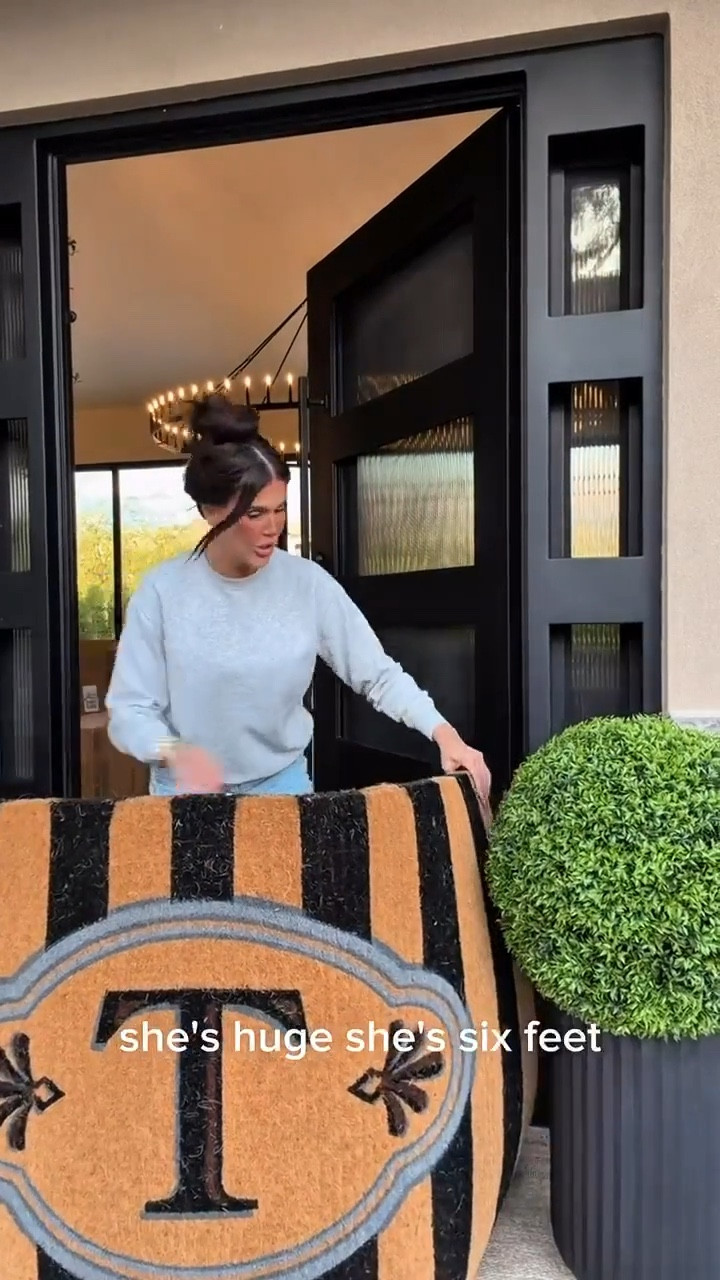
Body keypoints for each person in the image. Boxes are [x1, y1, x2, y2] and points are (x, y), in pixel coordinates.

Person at [105, 393, 492, 804]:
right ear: (210, 511)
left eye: (281, 509)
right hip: (183, 794)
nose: (273, 527)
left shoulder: (307, 584)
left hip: (281, 788)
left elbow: (378, 675)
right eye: (255, 514)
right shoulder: (162, 593)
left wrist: (444, 734)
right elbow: (130, 711)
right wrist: (175, 754)